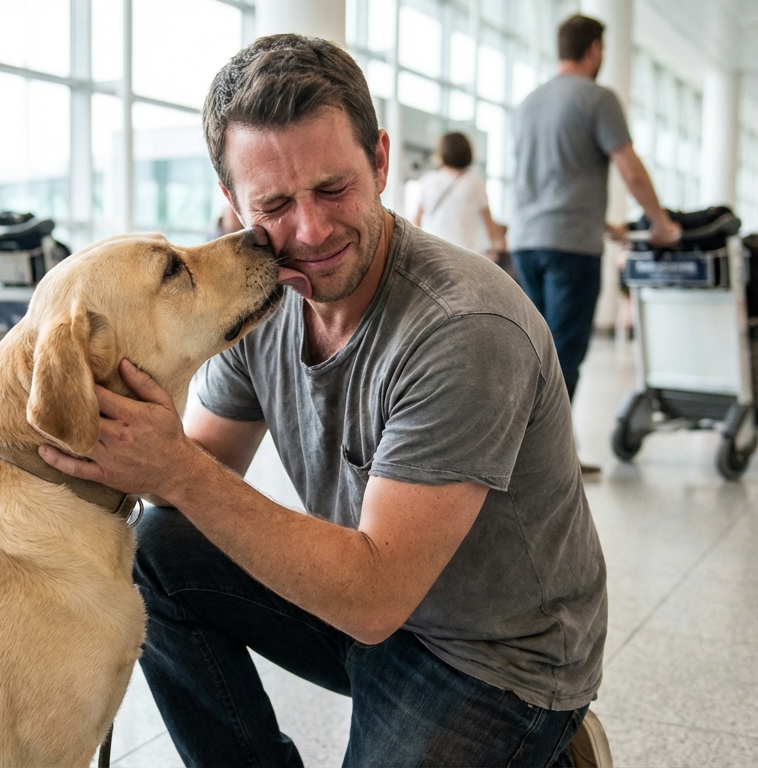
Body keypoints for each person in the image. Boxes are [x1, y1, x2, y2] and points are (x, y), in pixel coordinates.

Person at [39, 34, 608, 767]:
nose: (309, 232)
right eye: (274, 203)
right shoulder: (262, 296)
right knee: (158, 553)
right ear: (233, 203)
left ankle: (551, 744)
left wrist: (174, 468)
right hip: (364, 602)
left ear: (379, 160)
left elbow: (373, 596)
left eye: (334, 188)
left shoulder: (464, 327)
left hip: (492, 659)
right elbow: (198, 471)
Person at [509, 14, 680, 471]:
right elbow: (630, 167)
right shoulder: (598, 98)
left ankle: (521, 452)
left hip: (527, 242)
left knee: (532, 350)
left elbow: (548, 181)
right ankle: (550, 460)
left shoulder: (528, 103)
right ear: (595, 50)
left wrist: (608, 225)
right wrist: (661, 223)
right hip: (570, 247)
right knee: (564, 351)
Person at [413, 131, 506, 256]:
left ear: (441, 153)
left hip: (432, 253)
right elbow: (489, 224)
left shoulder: (428, 181)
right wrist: (494, 247)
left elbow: (416, 221)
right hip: (465, 255)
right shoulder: (476, 184)